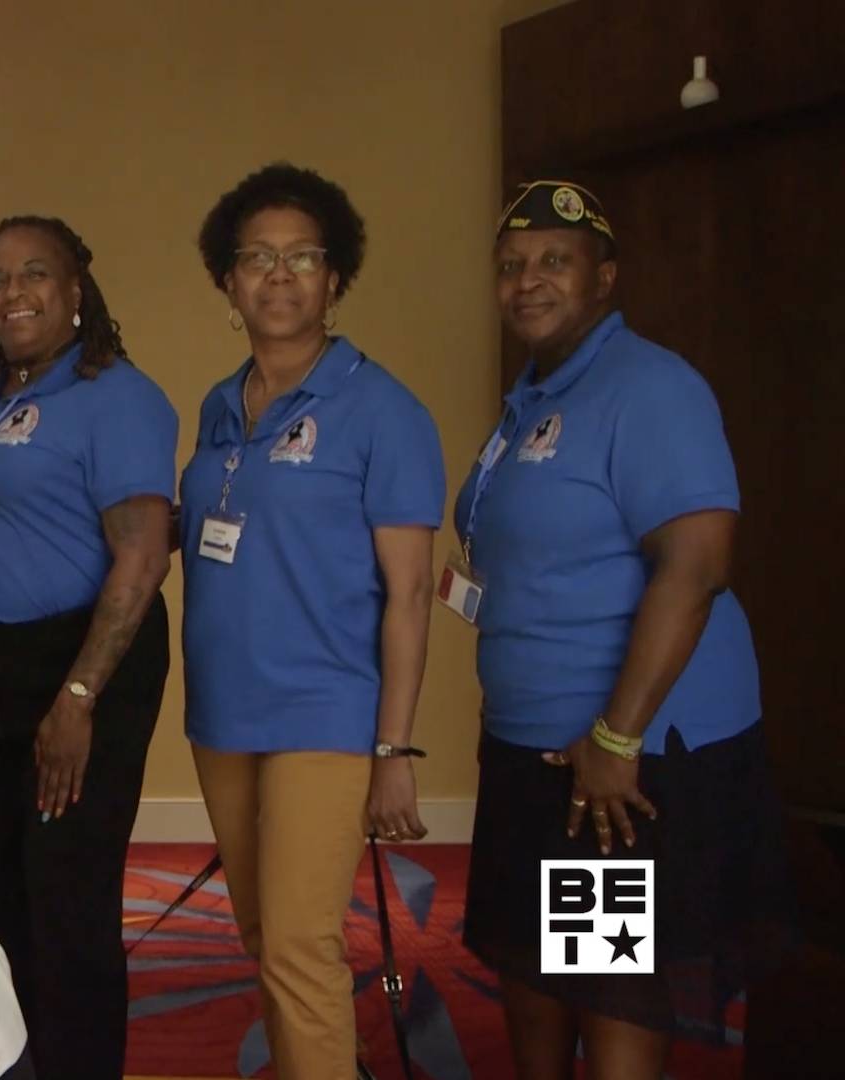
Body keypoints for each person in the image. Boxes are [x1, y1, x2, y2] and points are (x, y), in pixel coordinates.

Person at [457, 180, 792, 1079]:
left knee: (602, 986)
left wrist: (617, 735)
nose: (529, 281)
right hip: (532, 752)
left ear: (604, 278)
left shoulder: (648, 387)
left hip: (609, 767)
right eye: (512, 266)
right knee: (537, 977)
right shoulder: (531, 397)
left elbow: (697, 565)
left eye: (554, 262)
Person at [180, 163, 445, 1076]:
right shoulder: (221, 406)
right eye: (257, 257)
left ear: (336, 278)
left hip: (326, 715)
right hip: (223, 718)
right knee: (265, 938)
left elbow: (410, 595)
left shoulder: (384, 412)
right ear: (228, 280)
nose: (280, 274)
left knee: (298, 948)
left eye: (303, 257)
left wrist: (394, 752)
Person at [0, 215, 175, 1080]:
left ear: (75, 292)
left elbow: (141, 559)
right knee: (7, 899)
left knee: (69, 908)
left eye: (36, 275)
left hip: (79, 667)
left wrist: (78, 698)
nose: (13, 292)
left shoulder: (116, 394)